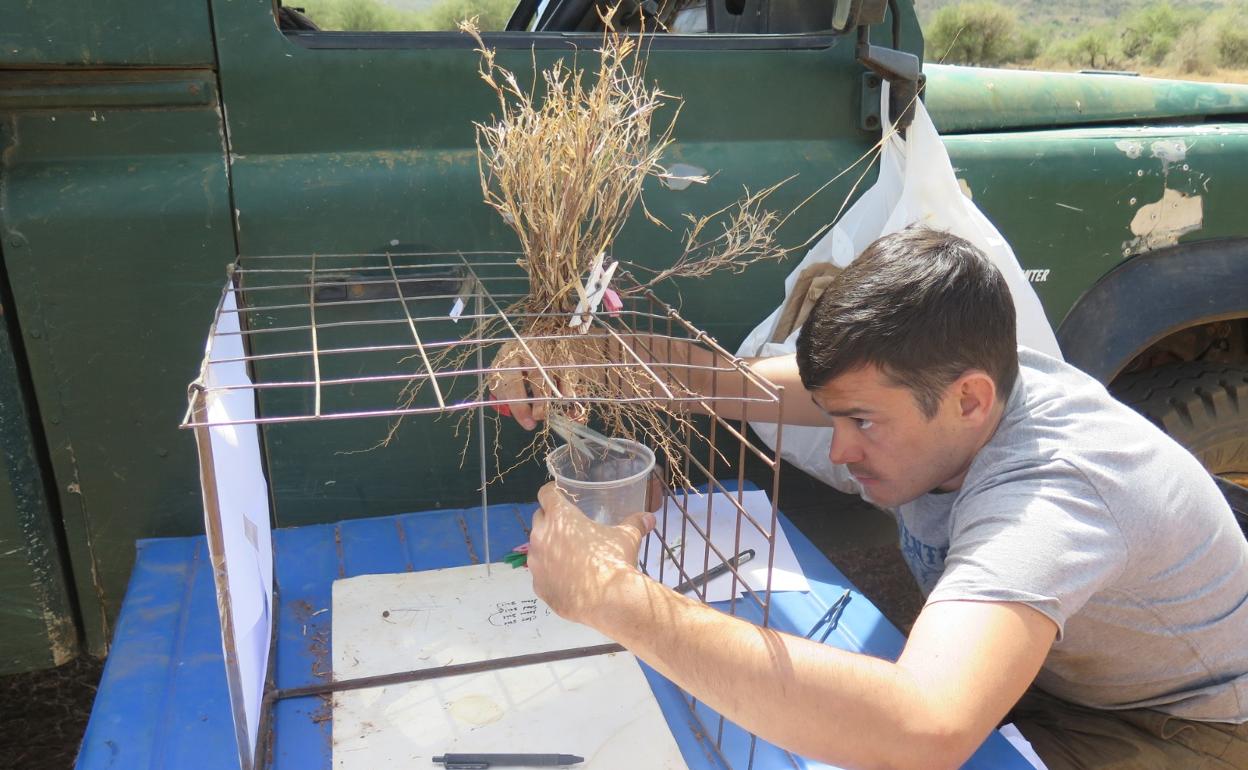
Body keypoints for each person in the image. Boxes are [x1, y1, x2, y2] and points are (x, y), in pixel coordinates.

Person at [491, 227, 1248, 769]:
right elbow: (734, 384)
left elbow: (926, 728)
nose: (841, 451)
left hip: (1175, 725)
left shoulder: (1052, 496)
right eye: (834, 415)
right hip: (1067, 672)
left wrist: (611, 595)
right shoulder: (939, 377)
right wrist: (585, 358)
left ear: (970, 400)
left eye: (862, 423)